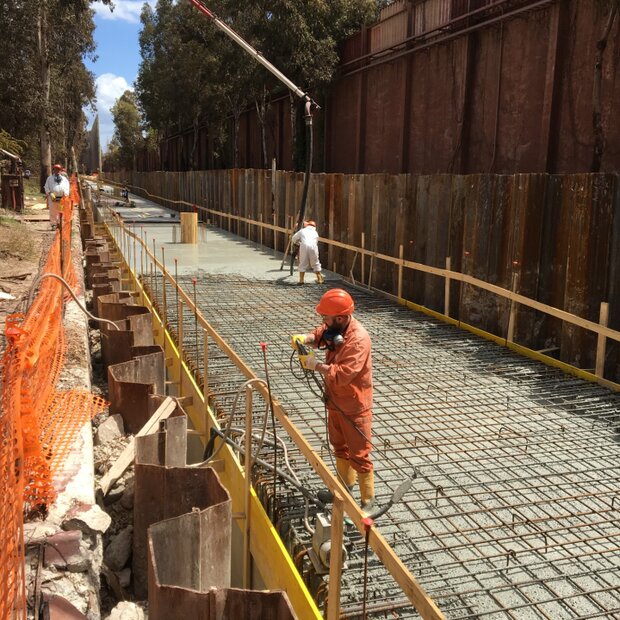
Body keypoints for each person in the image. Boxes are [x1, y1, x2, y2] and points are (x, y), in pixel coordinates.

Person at [291, 288, 375, 513]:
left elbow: (343, 374)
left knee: (359, 454)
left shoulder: (358, 340)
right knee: (339, 447)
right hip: (335, 400)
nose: (323, 322)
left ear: (340, 318)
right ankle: (344, 487)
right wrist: (305, 339)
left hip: (354, 405)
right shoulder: (336, 327)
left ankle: (368, 501)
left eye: (326, 318)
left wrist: (315, 365)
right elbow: (321, 334)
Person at [291, 220, 325, 284]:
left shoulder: (302, 231)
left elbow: (293, 238)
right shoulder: (315, 233)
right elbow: (316, 241)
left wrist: (297, 243)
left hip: (304, 246)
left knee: (303, 262)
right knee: (315, 262)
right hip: (313, 247)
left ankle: (301, 280)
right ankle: (319, 279)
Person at [44, 164, 70, 228]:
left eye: (58, 169)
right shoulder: (49, 178)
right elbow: (46, 187)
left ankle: (59, 223)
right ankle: (53, 224)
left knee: (61, 210)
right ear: (53, 170)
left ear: (60, 170)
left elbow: (67, 187)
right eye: (56, 169)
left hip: (62, 197)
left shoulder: (64, 179)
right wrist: (50, 193)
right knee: (53, 211)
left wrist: (65, 194)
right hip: (52, 197)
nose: (57, 171)